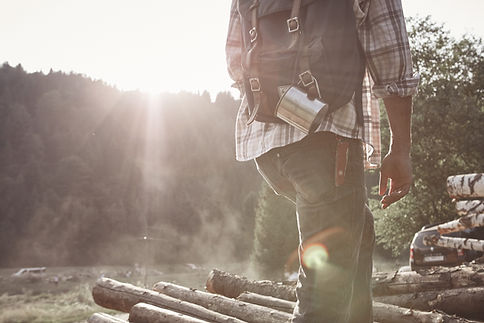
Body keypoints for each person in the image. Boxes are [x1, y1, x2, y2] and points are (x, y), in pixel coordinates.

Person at [226, 0, 419, 322]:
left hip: (267, 144)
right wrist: (400, 148)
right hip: (327, 143)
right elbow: (391, 56)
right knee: (323, 297)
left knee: (359, 228)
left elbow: (236, 61)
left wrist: (286, 100)